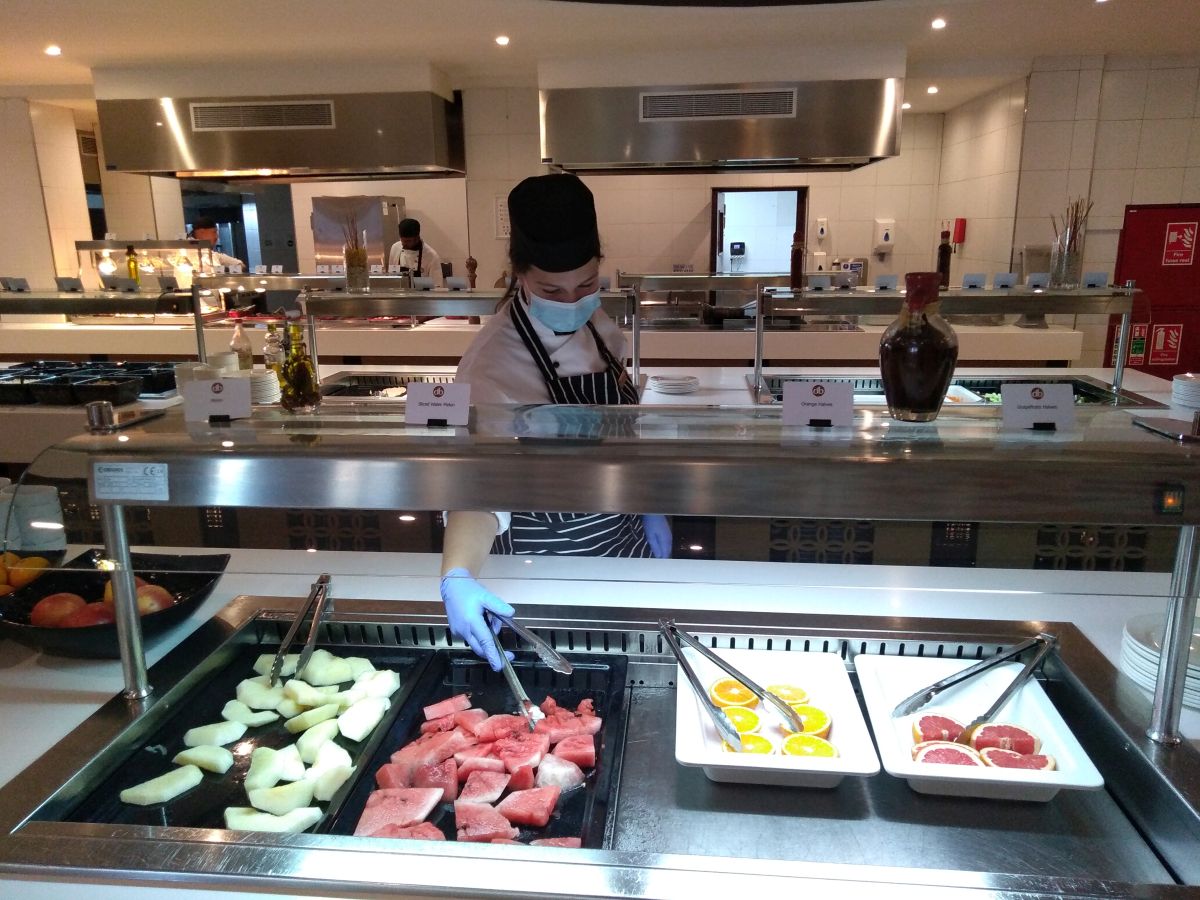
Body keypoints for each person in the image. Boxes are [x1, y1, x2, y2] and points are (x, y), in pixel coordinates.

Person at [439, 173, 671, 670]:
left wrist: (649, 498)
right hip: (549, 555)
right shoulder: (490, 363)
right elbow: (479, 489)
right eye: (551, 289)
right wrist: (457, 573)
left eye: (586, 284)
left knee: (636, 663)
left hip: (625, 537)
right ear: (519, 275)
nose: (571, 302)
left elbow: (622, 423)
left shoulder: (599, 325)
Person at [387, 217, 444, 285]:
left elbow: (437, 285)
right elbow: (391, 277)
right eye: (402, 240)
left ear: (417, 238)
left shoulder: (431, 256)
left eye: (408, 241)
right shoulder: (395, 248)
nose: (403, 244)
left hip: (422, 291)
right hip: (400, 291)